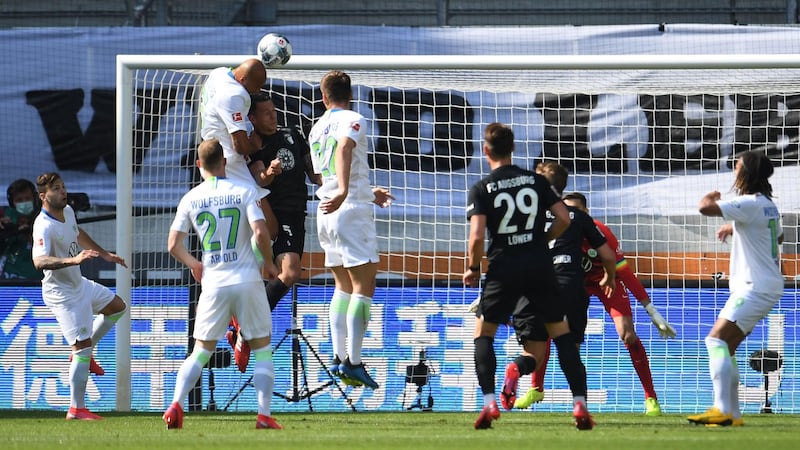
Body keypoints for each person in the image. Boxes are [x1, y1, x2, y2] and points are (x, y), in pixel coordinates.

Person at [464, 123, 596, 430]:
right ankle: (580, 404)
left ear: (486, 150)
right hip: (539, 265)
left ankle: (488, 403)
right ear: (513, 148)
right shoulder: (536, 181)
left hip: (503, 267)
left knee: (484, 334)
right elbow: (563, 217)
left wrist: (472, 267)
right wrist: (542, 240)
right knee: (562, 335)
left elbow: (476, 236)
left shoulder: (481, 188)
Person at [514, 192, 675, 415]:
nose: (570, 215)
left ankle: (651, 398)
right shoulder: (555, 232)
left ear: (586, 213)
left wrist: (651, 310)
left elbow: (624, 272)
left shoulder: (600, 231)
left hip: (607, 281)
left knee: (627, 334)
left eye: (576, 211)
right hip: (575, 284)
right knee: (548, 327)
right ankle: (536, 389)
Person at [163, 138, 281, 430]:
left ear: (199, 164)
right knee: (263, 349)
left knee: (201, 351)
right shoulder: (243, 191)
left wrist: (194, 265)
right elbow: (260, 231)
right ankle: (264, 415)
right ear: (225, 162)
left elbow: (173, 245)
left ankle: (176, 405)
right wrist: (267, 263)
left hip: (214, 282)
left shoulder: (190, 198)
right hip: (246, 280)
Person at [308, 70, 393, 390]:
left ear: (324, 97)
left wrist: (365, 192)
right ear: (351, 94)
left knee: (342, 286)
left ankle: (339, 356)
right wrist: (347, 191)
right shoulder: (354, 118)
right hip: (348, 210)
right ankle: (354, 362)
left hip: (326, 211)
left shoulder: (316, 128)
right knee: (363, 285)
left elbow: (323, 174)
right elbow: (344, 149)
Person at [687, 151, 784, 427]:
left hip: (754, 287)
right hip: (765, 285)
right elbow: (777, 235)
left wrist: (711, 196)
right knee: (726, 347)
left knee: (715, 340)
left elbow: (704, 208)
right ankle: (733, 414)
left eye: (737, 165)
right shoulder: (767, 205)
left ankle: (721, 408)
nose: (734, 169)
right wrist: (735, 226)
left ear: (747, 172)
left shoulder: (749, 202)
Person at [31, 172, 128, 420]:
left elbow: (77, 233)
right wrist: (73, 260)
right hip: (62, 295)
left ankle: (83, 352)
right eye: (56, 189)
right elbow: (39, 261)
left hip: (79, 285)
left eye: (63, 187)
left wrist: (105, 254)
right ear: (43, 196)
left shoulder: (69, 211)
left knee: (117, 307)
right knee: (82, 348)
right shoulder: (43, 225)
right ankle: (76, 409)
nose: (63, 192)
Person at [247, 92, 322, 310]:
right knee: (290, 271)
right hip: (274, 214)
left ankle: (248, 319)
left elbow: (313, 172)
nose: (273, 117)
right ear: (253, 119)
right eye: (267, 114)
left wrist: (331, 184)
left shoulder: (292, 135)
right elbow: (260, 178)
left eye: (274, 112)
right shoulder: (254, 144)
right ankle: (251, 314)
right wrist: (270, 172)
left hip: (296, 213)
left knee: (290, 274)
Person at [0, 179, 43, 279]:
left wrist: (27, 232)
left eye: (28, 198)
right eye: (19, 200)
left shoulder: (44, 218)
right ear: (12, 203)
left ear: (34, 199)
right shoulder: (8, 217)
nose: (24, 203)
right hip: (9, 278)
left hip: (35, 280)